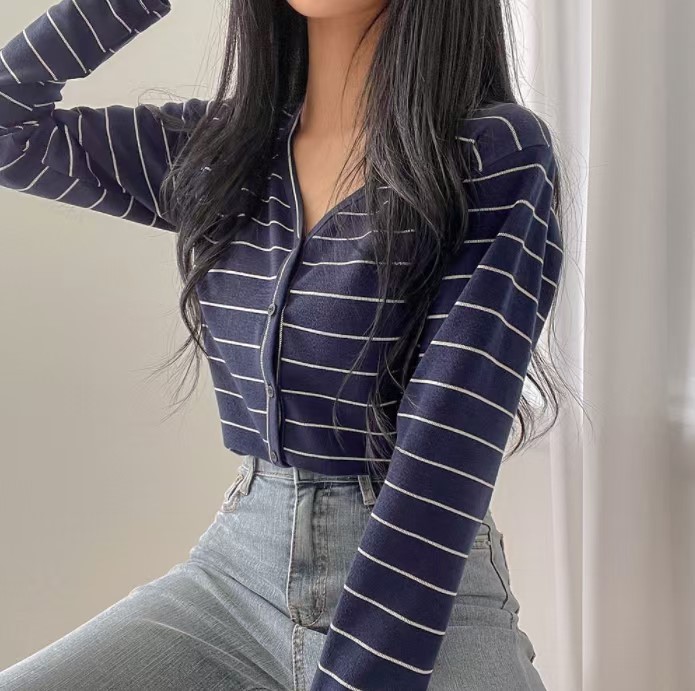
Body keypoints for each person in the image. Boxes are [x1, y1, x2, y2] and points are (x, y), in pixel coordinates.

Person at [0, 1, 567, 689]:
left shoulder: (495, 155)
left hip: (424, 589)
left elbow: (446, 444)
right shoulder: (228, 152)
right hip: (235, 577)